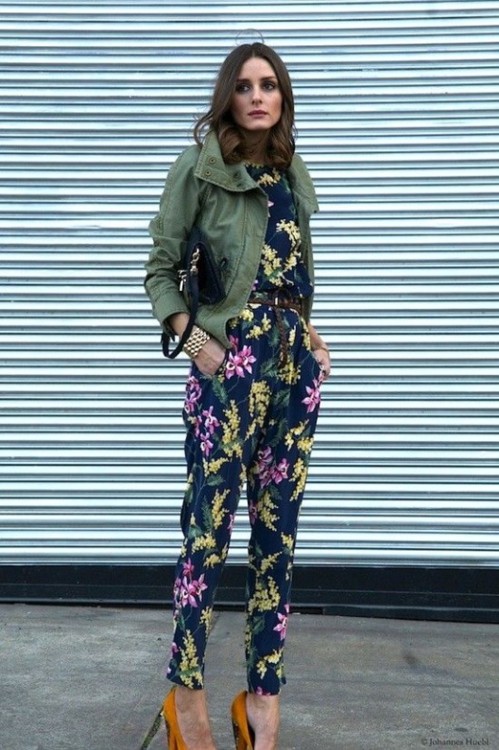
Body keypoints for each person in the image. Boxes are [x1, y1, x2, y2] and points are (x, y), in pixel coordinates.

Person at [144, 41, 330, 750]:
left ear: (283, 98)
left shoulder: (291, 172)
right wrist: (198, 345)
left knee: (277, 540)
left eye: (270, 85)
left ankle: (262, 705)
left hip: (291, 370)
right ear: (229, 96)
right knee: (208, 534)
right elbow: (160, 271)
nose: (258, 96)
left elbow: (291, 273)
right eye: (246, 85)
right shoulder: (199, 169)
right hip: (228, 366)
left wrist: (312, 340)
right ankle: (186, 699)